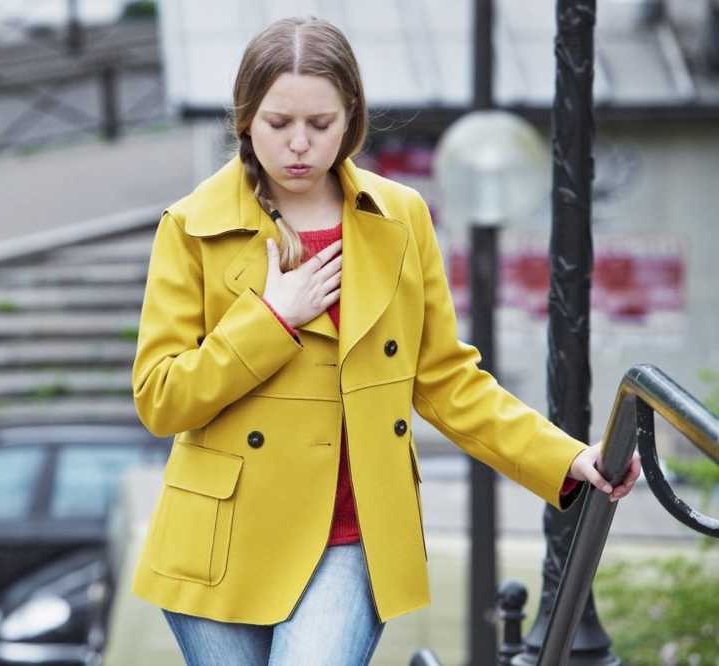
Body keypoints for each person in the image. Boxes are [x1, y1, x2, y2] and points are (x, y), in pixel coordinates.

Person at [128, 16, 641, 666]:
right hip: (221, 543)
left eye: (320, 125)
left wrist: (564, 458)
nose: (298, 145)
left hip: (351, 533)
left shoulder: (399, 219)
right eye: (278, 123)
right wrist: (270, 320)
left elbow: (447, 381)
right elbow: (161, 398)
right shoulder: (192, 225)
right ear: (245, 119)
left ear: (352, 120)